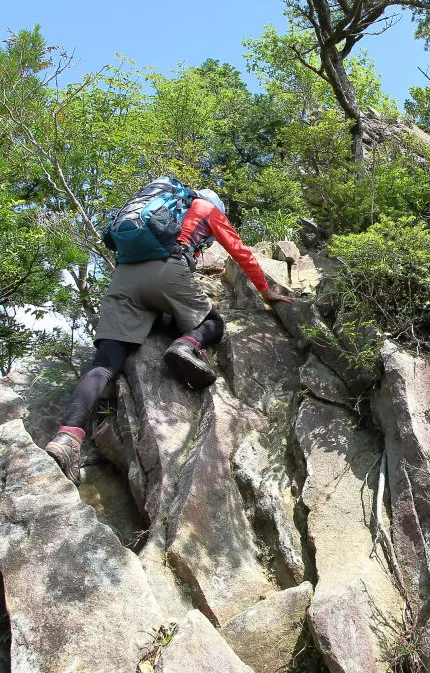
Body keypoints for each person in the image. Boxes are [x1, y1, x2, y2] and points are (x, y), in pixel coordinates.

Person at [45, 188, 293, 485]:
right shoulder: (207, 209)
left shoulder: (156, 209)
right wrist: (266, 291)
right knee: (214, 324)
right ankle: (185, 345)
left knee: (104, 365)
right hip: (168, 273)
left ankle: (68, 437)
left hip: (125, 279)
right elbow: (239, 252)